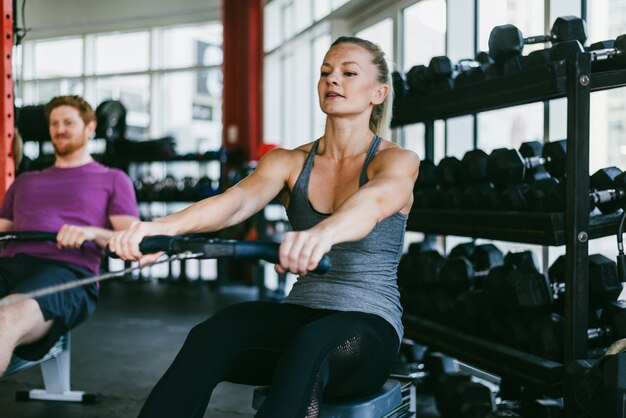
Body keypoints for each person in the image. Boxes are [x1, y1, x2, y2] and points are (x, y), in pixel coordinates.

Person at [109, 36, 420, 418]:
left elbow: (375, 202)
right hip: (301, 312)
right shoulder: (288, 161)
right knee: (213, 334)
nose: (332, 80)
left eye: (348, 73)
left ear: (378, 92)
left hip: (368, 328)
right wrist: (159, 229)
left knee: (311, 346)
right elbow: (235, 202)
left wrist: (321, 235)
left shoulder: (396, 160)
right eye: (325, 73)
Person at [0, 95, 140, 374]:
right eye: (54, 123)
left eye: (68, 122)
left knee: (5, 318)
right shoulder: (26, 181)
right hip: (10, 265)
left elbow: (132, 240)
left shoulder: (112, 179)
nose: (59, 129)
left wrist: (90, 232)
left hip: (68, 272)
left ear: (90, 128)